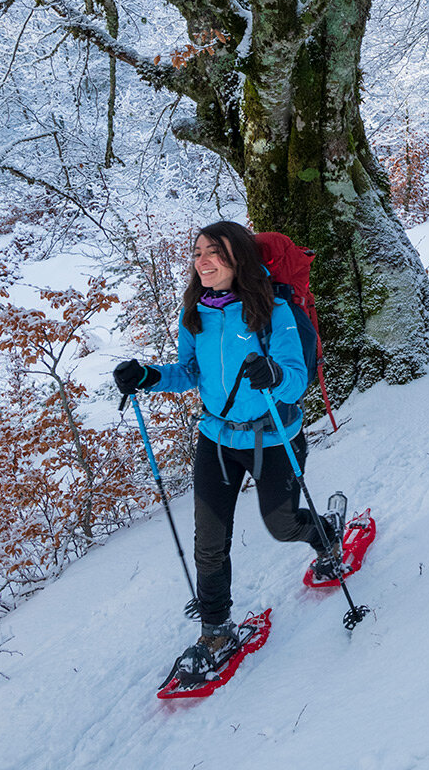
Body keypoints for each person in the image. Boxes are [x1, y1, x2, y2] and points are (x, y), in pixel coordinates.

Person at [113, 220, 343, 682]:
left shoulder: (273, 309)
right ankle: (216, 632)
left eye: (214, 251)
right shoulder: (196, 312)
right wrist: (149, 377)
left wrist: (275, 374)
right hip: (217, 439)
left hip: (274, 437)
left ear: (238, 257)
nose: (203, 261)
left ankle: (326, 538)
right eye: (198, 252)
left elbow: (296, 380)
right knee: (209, 542)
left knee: (282, 525)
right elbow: (189, 371)